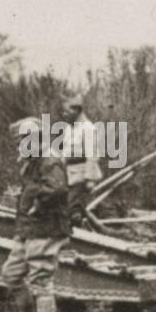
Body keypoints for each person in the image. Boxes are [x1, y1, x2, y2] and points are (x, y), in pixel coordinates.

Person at [1, 116, 70, 312]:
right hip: (29, 229)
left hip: (45, 228)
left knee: (41, 282)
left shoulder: (50, 159)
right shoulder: (32, 162)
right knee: (11, 274)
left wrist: (37, 204)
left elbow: (57, 190)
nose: (19, 145)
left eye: (22, 139)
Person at [59, 92, 103, 223]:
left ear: (76, 110)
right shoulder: (69, 128)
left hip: (81, 175)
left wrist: (89, 179)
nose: (64, 114)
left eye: (66, 111)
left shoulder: (87, 128)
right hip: (69, 174)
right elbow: (66, 151)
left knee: (74, 208)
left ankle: (77, 233)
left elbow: (92, 154)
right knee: (68, 205)